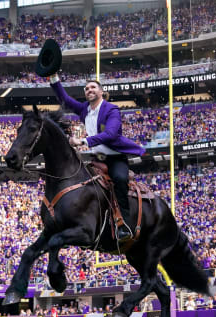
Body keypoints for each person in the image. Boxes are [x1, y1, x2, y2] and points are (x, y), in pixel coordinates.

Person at [49, 74, 145, 245]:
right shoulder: (84, 109)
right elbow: (64, 98)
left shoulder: (111, 110)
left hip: (114, 158)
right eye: (86, 89)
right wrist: (53, 77)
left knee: (120, 179)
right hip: (96, 158)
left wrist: (83, 141)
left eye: (93, 87)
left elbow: (110, 134)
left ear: (101, 91)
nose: (89, 90)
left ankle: (125, 225)